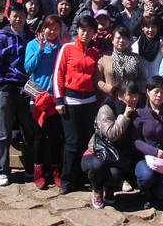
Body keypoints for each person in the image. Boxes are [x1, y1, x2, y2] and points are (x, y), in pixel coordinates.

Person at [0, 2, 35, 187]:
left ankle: (30, 168)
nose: (18, 19)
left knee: (28, 131)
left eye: (21, 15)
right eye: (15, 15)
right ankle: (2, 170)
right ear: (9, 17)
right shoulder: (2, 38)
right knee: (4, 132)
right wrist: (1, 84)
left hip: (26, 89)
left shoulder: (32, 36)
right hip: (7, 88)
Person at [53, 15, 102, 194]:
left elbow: (96, 78)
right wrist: (59, 100)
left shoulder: (95, 53)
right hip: (70, 102)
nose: (85, 33)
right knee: (71, 142)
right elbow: (58, 74)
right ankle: (66, 180)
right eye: (83, 29)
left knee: (85, 142)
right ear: (77, 30)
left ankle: (82, 178)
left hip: (89, 103)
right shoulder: (67, 48)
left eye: (90, 30)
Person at [82, 80, 138, 209]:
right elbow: (112, 134)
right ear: (120, 96)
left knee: (115, 174)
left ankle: (109, 189)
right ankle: (97, 189)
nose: (134, 98)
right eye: (130, 95)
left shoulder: (137, 109)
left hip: (116, 156)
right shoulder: (106, 109)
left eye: (136, 94)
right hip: (98, 153)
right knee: (98, 167)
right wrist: (125, 115)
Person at [24, 16, 64, 189]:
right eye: (50, 28)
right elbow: (28, 68)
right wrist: (40, 50)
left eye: (56, 29)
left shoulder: (60, 46)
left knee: (55, 137)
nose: (52, 32)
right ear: (43, 28)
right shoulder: (33, 45)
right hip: (39, 97)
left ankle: (55, 172)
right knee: (39, 137)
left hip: (55, 97)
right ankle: (38, 173)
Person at [129, 75, 163, 209]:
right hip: (143, 158)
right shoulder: (139, 112)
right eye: (156, 91)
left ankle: (156, 189)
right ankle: (144, 194)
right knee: (146, 177)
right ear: (147, 92)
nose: (159, 95)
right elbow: (135, 140)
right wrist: (153, 151)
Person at [96, 25, 146, 98]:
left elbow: (143, 79)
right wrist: (113, 90)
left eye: (124, 38)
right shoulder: (104, 57)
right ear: (112, 40)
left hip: (131, 99)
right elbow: (97, 81)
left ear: (129, 40)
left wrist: (130, 88)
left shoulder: (136, 57)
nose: (121, 41)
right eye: (118, 38)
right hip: (110, 98)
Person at [132, 14, 163, 81]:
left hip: (157, 83)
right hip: (141, 84)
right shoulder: (135, 47)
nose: (150, 30)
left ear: (157, 28)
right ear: (142, 28)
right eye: (147, 27)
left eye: (153, 27)